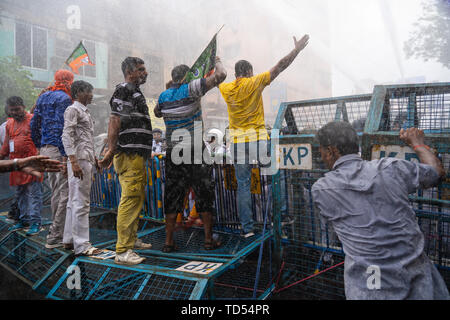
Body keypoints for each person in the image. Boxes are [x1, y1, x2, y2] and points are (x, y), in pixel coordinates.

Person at [311, 121, 449, 300]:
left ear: (331, 151)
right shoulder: (390, 168)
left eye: (321, 151)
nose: (321, 156)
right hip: (417, 281)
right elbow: (436, 172)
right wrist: (417, 143)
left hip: (368, 287)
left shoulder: (321, 190)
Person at [219, 34, 309, 237]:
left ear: (236, 74)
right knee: (277, 174)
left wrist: (216, 62)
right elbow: (280, 66)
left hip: (236, 143)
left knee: (243, 185)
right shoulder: (255, 81)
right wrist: (296, 51)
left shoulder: (226, 88)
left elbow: (218, 76)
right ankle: (283, 217)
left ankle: (247, 228)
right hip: (258, 138)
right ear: (249, 72)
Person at [154, 56, 227, 252]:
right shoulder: (191, 88)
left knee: (172, 195)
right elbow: (221, 75)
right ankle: (208, 240)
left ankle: (168, 242)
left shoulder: (163, 96)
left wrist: (169, 89)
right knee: (203, 193)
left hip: (173, 151)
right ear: (187, 77)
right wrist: (217, 61)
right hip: (195, 150)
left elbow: (157, 113)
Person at [99, 57, 153, 265]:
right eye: (141, 69)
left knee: (136, 197)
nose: (145, 72)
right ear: (129, 72)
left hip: (137, 154)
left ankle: (132, 239)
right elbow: (115, 120)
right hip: (128, 153)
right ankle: (122, 251)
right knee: (130, 198)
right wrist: (111, 151)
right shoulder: (124, 89)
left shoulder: (134, 91)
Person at [31, 69, 74, 248]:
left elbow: (34, 123)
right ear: (68, 81)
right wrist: (65, 156)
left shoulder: (43, 96)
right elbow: (60, 128)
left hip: (45, 149)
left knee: (56, 191)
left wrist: (39, 144)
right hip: (58, 150)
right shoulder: (64, 98)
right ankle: (56, 236)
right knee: (64, 193)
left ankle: (58, 231)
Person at [60, 80, 102, 255]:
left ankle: (69, 240)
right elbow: (66, 136)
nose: (92, 95)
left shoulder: (83, 111)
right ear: (78, 93)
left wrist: (95, 159)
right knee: (81, 202)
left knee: (73, 200)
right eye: (89, 92)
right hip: (80, 161)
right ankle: (83, 246)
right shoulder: (73, 110)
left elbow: (85, 139)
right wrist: (74, 161)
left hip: (85, 159)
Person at [0, 97, 43, 236]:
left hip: (32, 163)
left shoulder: (33, 119)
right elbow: (6, 144)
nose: (15, 112)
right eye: (12, 110)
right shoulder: (9, 124)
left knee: (34, 195)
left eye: (17, 109)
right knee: (20, 194)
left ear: (23, 107)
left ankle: (35, 222)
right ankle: (23, 220)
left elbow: (41, 139)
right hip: (17, 164)